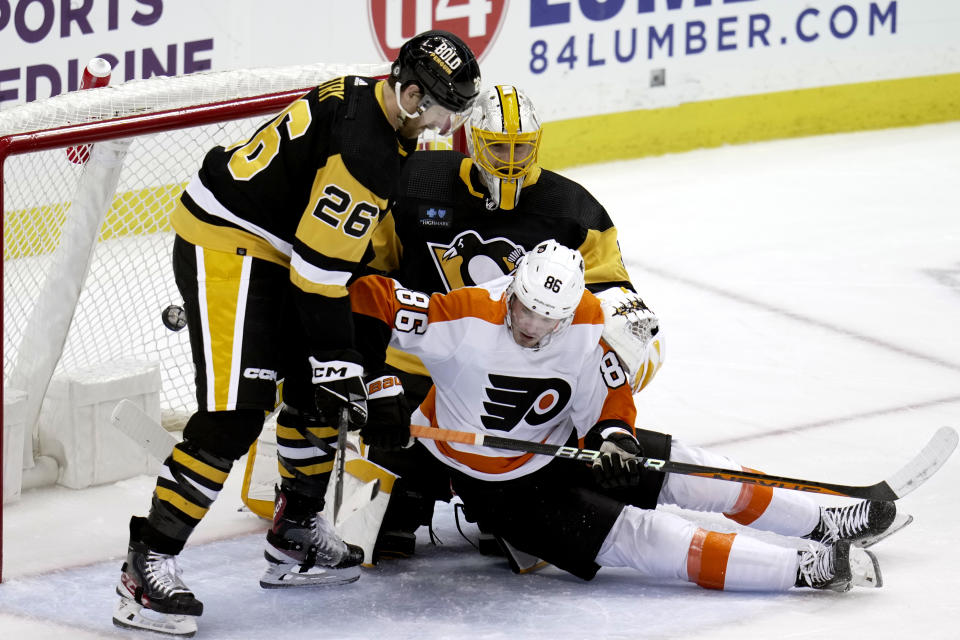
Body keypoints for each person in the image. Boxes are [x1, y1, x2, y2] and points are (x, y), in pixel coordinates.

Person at [112, 31, 481, 637]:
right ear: (412, 95)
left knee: (314, 392)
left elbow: (341, 261)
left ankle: (296, 538)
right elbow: (318, 275)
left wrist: (353, 366)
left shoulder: (373, 104)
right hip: (228, 245)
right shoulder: (370, 152)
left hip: (281, 251)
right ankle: (146, 562)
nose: (445, 124)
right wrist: (346, 361)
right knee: (234, 415)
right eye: (442, 108)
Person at [349, 240, 902, 593]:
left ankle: (823, 521)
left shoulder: (590, 321)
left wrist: (615, 437)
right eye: (524, 310)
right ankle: (804, 569)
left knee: (689, 468)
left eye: (549, 320)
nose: (531, 328)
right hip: (496, 487)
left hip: (560, 442)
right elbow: (357, 298)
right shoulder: (463, 314)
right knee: (643, 536)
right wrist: (379, 385)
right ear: (512, 289)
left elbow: (609, 398)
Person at [362, 84, 662, 559]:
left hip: (517, 374)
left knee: (520, 528)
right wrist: (368, 369)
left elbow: (609, 291)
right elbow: (368, 269)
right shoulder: (415, 182)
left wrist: (629, 333)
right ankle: (406, 493)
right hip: (419, 362)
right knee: (375, 531)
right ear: (474, 141)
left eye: (521, 147)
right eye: (498, 146)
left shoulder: (570, 208)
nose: (509, 159)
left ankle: (499, 503)